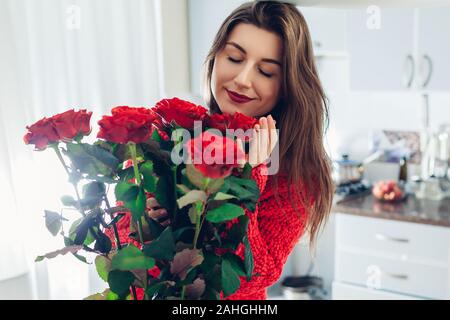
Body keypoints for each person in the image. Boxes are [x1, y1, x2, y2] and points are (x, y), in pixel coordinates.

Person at [108, 0, 334, 300]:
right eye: (234, 57)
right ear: (215, 57)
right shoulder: (170, 138)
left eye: (266, 71)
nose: (242, 79)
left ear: (287, 85)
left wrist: (247, 176)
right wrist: (148, 225)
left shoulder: (297, 176)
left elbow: (247, 279)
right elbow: (118, 248)